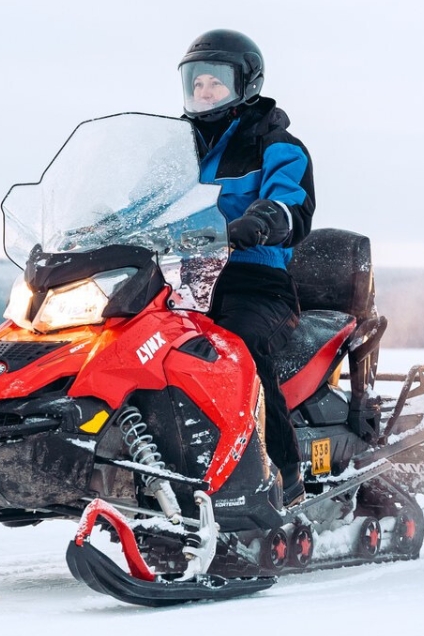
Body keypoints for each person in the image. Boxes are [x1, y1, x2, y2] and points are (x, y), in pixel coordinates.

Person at [178, 29, 317, 503]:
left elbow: (291, 204)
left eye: (214, 82)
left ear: (244, 84)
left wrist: (260, 221)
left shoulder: (276, 143)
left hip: (256, 282)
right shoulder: (177, 147)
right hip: (188, 280)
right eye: (196, 83)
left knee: (239, 346)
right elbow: (143, 202)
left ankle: (283, 472)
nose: (203, 92)